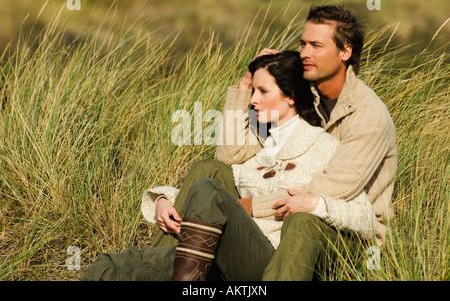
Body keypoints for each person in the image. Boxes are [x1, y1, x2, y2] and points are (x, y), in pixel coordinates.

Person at [81, 51, 377, 281]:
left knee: (208, 188)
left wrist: (317, 204)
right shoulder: (259, 146)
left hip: (269, 260)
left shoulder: (323, 147)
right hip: (220, 254)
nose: (253, 100)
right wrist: (161, 200)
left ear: (289, 97)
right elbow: (221, 167)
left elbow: (365, 217)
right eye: (252, 91)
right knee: (109, 266)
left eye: (262, 91)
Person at [217, 5, 397, 280]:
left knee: (303, 221)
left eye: (316, 45)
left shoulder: (369, 116)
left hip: (349, 235)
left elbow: (333, 189)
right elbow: (231, 154)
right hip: (282, 219)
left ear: (345, 52)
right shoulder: (298, 97)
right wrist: (246, 84)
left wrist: (250, 207)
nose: (304, 53)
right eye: (303, 43)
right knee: (211, 172)